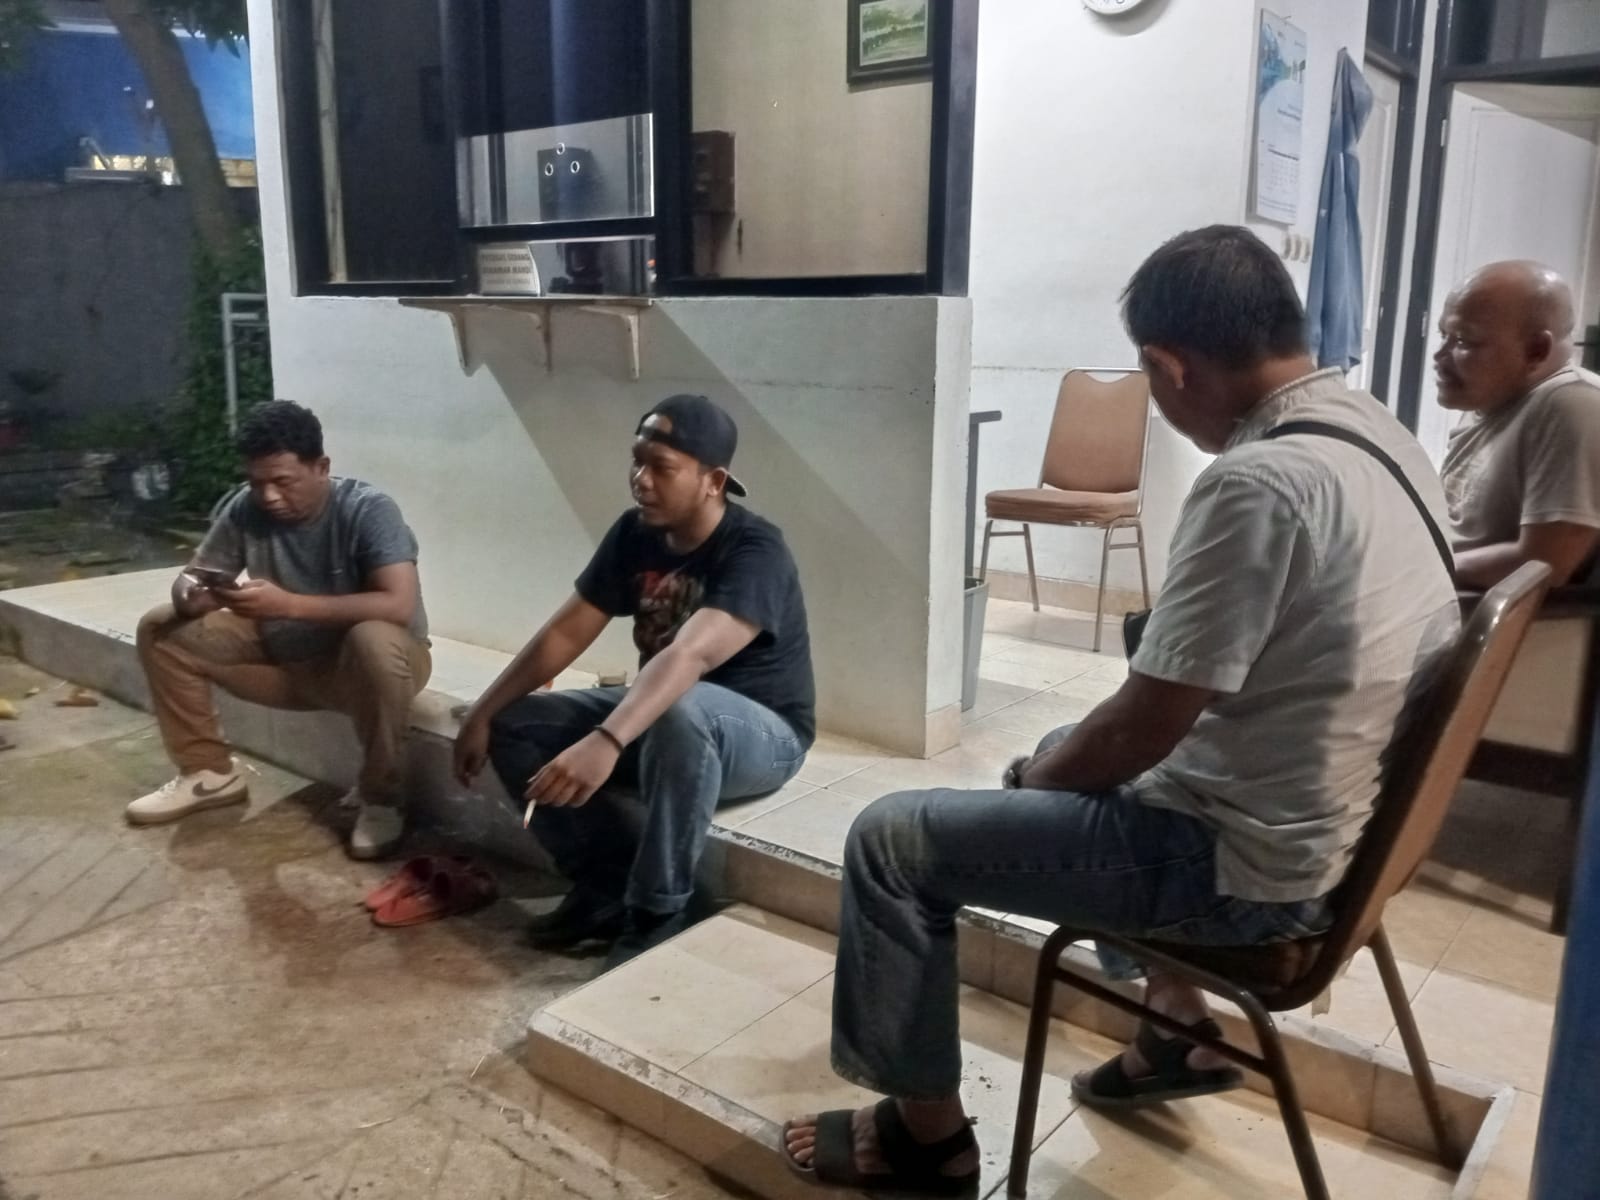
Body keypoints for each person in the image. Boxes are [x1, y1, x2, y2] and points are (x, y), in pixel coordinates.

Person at [780, 226, 1461, 1194]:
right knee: (1068, 743)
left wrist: (1034, 785)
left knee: (892, 841)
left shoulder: (1260, 483)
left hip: (1246, 873)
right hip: (1339, 831)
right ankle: (1176, 1028)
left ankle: (925, 1140)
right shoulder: (1381, 436)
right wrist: (1060, 768)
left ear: (1167, 366)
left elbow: (1145, 727)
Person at [453, 394, 814, 967]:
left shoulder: (755, 549)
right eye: (637, 461)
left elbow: (689, 655)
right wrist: (483, 712)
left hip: (762, 734)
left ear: (713, 481)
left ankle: (658, 913)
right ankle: (606, 887)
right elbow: (565, 632)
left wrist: (607, 739)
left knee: (681, 708)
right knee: (517, 723)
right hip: (668, 717)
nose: (640, 480)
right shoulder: (635, 533)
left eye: (661, 468)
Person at [128, 401, 431, 861]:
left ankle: (382, 798)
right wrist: (191, 592)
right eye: (257, 483)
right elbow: (196, 573)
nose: (268, 496)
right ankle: (208, 774)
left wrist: (288, 605)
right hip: (288, 660)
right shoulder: (245, 508)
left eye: (283, 482)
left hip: (368, 668)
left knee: (373, 637)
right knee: (161, 628)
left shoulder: (368, 509)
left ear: (321, 467)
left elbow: (398, 604)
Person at [1437, 260, 1600, 589]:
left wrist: (1420, 569)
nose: (1440, 356)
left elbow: (1545, 563)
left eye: (1464, 341)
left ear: (1536, 350)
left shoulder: (1573, 406)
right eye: (1444, 335)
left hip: (1483, 615)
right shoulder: (1492, 397)